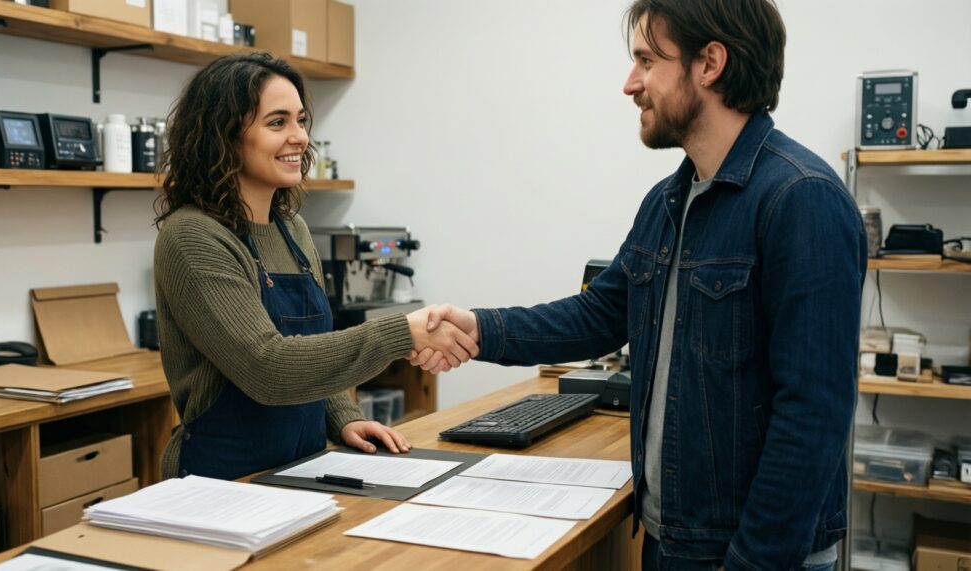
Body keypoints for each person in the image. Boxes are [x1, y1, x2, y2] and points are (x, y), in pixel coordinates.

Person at [411, 1, 866, 569]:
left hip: (750, 554)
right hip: (669, 539)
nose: (631, 84)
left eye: (647, 61)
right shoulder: (668, 201)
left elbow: (815, 412)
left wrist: (754, 562)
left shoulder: (802, 199)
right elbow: (598, 315)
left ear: (710, 64)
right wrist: (480, 329)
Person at [153, 52, 477, 482]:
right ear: (224, 135)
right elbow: (267, 367)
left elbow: (314, 346)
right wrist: (402, 332)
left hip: (300, 468)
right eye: (277, 122)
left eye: (301, 120)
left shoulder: (293, 229)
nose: (300, 137)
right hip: (221, 480)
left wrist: (342, 414)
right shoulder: (193, 236)